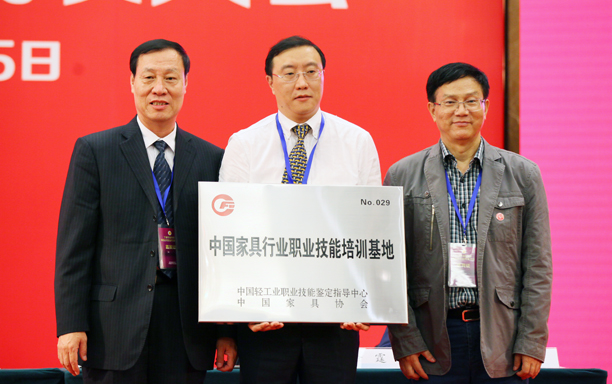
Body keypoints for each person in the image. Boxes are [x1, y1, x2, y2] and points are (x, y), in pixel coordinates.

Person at [55, 39, 237, 384]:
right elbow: (74, 249)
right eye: (149, 77)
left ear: (186, 84)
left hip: (186, 326)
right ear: (132, 82)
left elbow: (222, 254)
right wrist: (71, 324)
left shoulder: (212, 158)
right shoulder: (96, 151)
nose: (159, 88)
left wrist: (226, 331)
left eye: (170, 78)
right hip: (113, 325)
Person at [219, 35, 381, 384]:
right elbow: (230, 233)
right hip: (265, 316)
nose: (302, 82)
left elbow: (371, 229)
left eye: (311, 71)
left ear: (323, 76)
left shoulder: (357, 141)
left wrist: (363, 300)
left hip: (335, 316)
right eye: (289, 73)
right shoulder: (245, 144)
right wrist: (242, 309)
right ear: (270, 82)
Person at [384, 62, 552, 383]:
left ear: (485, 107)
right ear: (433, 110)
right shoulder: (402, 175)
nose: (461, 111)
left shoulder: (523, 174)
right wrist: (405, 340)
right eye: (450, 102)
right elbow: (391, 267)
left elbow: (538, 265)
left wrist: (532, 341)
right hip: (432, 339)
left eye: (471, 101)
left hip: (503, 339)